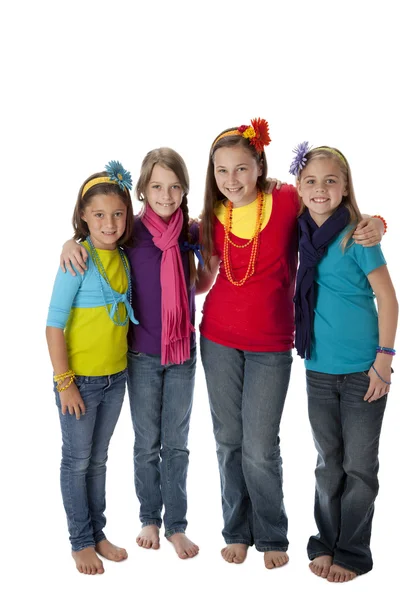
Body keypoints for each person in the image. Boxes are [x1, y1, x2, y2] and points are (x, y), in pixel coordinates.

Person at [196, 119, 385, 569]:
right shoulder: (209, 217)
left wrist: (376, 222)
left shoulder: (284, 200)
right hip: (217, 339)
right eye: (221, 171)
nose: (232, 180)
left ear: (259, 166)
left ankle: (272, 533)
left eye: (241, 169)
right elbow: (199, 273)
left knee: (261, 445)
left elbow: (331, 211)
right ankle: (236, 531)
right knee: (228, 441)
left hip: (271, 345)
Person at [60, 148, 201, 559]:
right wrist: (69, 242)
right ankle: (149, 519)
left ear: (184, 190)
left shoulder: (190, 232)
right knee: (146, 443)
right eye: (157, 186)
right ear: (141, 190)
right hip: (138, 355)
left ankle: (176, 525)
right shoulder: (129, 232)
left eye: (175, 186)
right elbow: (95, 240)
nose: (166, 194)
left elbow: (196, 282)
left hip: (181, 355)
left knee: (176, 443)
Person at [291, 143, 397, 582]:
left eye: (331, 180)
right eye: (311, 181)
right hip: (318, 367)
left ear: (345, 186)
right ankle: (325, 542)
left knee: (359, 466)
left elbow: (388, 299)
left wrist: (384, 361)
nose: (320, 189)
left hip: (362, 372)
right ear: (298, 186)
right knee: (327, 462)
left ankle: (352, 551)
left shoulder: (357, 234)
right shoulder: (297, 231)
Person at [46, 161, 138, 574]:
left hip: (116, 378)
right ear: (83, 215)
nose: (109, 222)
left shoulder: (122, 254)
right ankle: (80, 540)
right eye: (98, 214)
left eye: (118, 213)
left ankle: (98, 533)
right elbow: (53, 325)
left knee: (98, 461)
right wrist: (65, 383)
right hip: (79, 381)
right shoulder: (77, 260)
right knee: (77, 460)